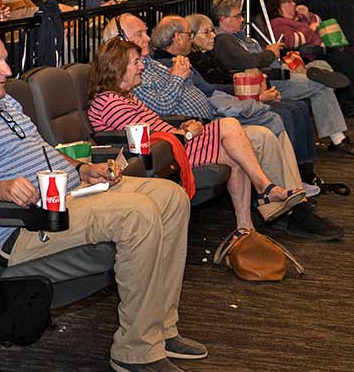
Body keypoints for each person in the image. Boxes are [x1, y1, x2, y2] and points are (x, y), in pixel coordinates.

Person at [0, 28, 203, 372]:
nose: (7, 70)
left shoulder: (3, 102)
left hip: (69, 193)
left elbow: (41, 149)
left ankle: (160, 326)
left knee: (171, 198)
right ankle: (136, 350)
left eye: (5, 60)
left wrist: (81, 168)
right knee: (139, 213)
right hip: (23, 227)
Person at [102, 13, 340, 239]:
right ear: (118, 43)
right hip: (185, 136)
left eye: (146, 32)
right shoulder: (130, 76)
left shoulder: (147, 64)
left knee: (267, 132)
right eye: (140, 34)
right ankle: (285, 208)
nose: (147, 39)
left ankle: (287, 204)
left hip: (192, 126)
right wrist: (177, 81)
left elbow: (179, 99)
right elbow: (160, 109)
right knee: (249, 128)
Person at [155, 14, 319, 195]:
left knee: (288, 112)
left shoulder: (186, 60)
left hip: (215, 110)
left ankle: (295, 181)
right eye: (191, 34)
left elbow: (210, 87)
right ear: (178, 37)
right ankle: (280, 190)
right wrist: (254, 94)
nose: (212, 36)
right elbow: (202, 92)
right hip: (207, 119)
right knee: (276, 118)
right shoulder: (173, 64)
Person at [209, 0, 354, 156]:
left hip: (276, 70)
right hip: (271, 80)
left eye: (241, 15)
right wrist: (270, 52)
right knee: (321, 85)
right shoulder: (224, 39)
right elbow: (249, 61)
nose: (242, 19)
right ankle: (338, 139)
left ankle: (313, 74)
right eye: (237, 16)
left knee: (321, 68)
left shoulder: (238, 36)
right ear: (223, 19)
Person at [266, 0, 354, 114]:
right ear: (278, 7)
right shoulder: (278, 23)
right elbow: (292, 41)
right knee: (342, 58)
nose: (293, 4)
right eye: (288, 2)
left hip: (320, 52)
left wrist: (307, 16)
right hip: (305, 58)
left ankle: (349, 101)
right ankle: (348, 105)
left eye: (293, 1)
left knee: (349, 52)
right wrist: (308, 28)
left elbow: (318, 23)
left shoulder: (298, 20)